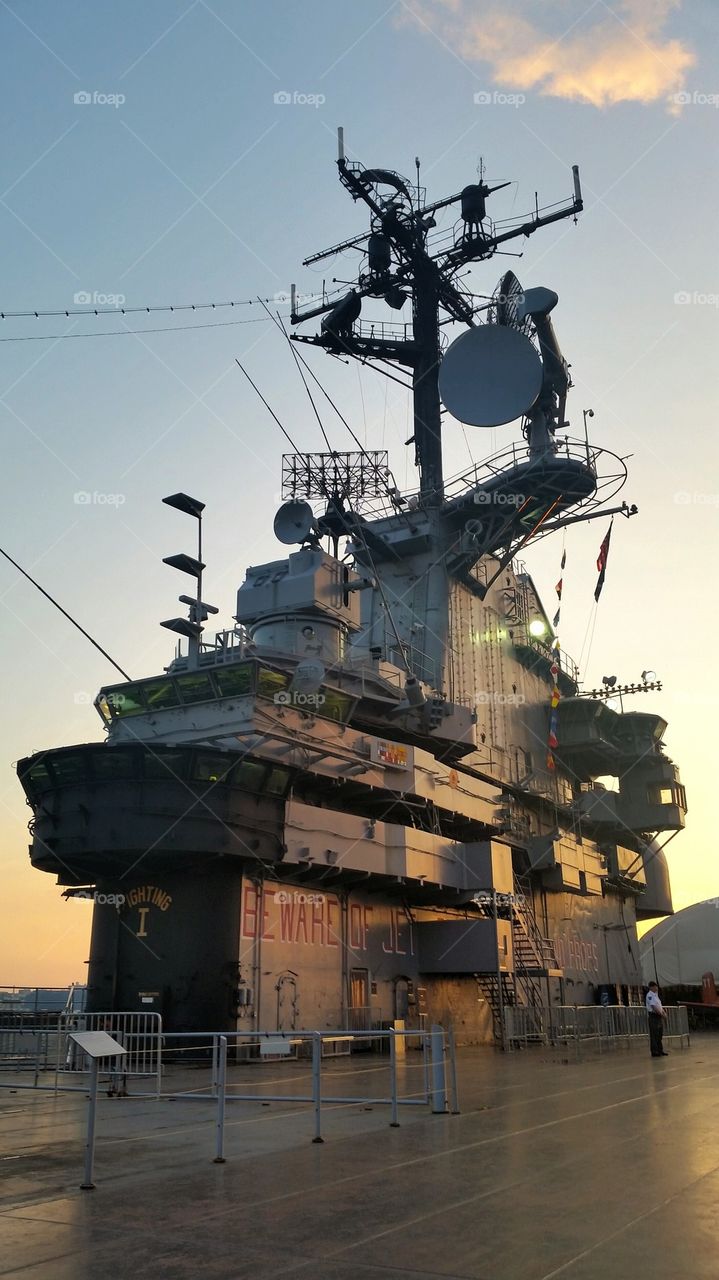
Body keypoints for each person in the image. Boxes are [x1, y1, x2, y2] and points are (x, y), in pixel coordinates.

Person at [646, 982, 668, 1057]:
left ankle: (660, 1050)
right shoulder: (650, 995)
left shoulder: (656, 995)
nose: (657, 988)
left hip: (658, 1016)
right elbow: (654, 1007)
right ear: (651, 987)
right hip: (654, 1016)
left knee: (659, 1034)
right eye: (655, 987)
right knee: (654, 1034)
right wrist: (661, 1014)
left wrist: (663, 1012)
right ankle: (655, 1051)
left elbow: (659, 1006)